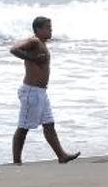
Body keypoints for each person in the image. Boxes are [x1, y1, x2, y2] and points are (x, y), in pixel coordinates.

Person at [9, 16, 80, 165]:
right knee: (23, 128)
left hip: (41, 92)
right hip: (31, 92)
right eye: (48, 27)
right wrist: (32, 58)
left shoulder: (41, 43)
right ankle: (16, 161)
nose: (51, 30)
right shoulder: (34, 41)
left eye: (51, 27)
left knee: (49, 124)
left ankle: (61, 155)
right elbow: (14, 48)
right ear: (38, 29)